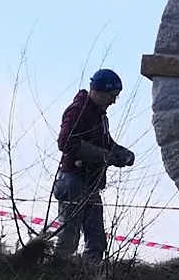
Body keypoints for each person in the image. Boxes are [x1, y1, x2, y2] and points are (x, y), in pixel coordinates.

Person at [53, 69, 135, 267]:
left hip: (90, 184)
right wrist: (106, 157)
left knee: (97, 240)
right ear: (99, 91)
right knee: (68, 238)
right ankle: (55, 276)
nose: (113, 102)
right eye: (112, 96)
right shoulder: (78, 110)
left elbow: (105, 142)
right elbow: (66, 143)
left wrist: (121, 152)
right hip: (73, 180)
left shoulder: (99, 116)